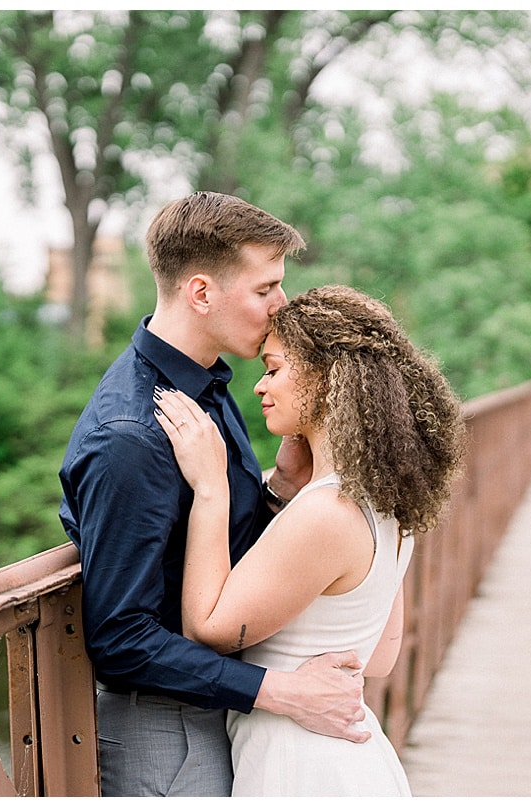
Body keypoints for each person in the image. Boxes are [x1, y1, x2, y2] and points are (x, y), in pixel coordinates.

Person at [58, 193, 372, 797]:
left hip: (213, 708)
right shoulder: (132, 436)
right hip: (166, 732)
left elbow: (215, 544)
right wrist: (286, 693)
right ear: (201, 293)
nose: (282, 305)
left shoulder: (206, 385)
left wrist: (277, 490)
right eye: (265, 289)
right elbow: (120, 639)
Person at [153, 285, 467, 796]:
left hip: (299, 766)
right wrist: (280, 493)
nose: (260, 386)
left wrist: (212, 489)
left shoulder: (326, 512)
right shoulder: (386, 502)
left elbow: (208, 628)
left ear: (324, 379)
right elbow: (379, 657)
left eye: (273, 368)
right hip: (352, 761)